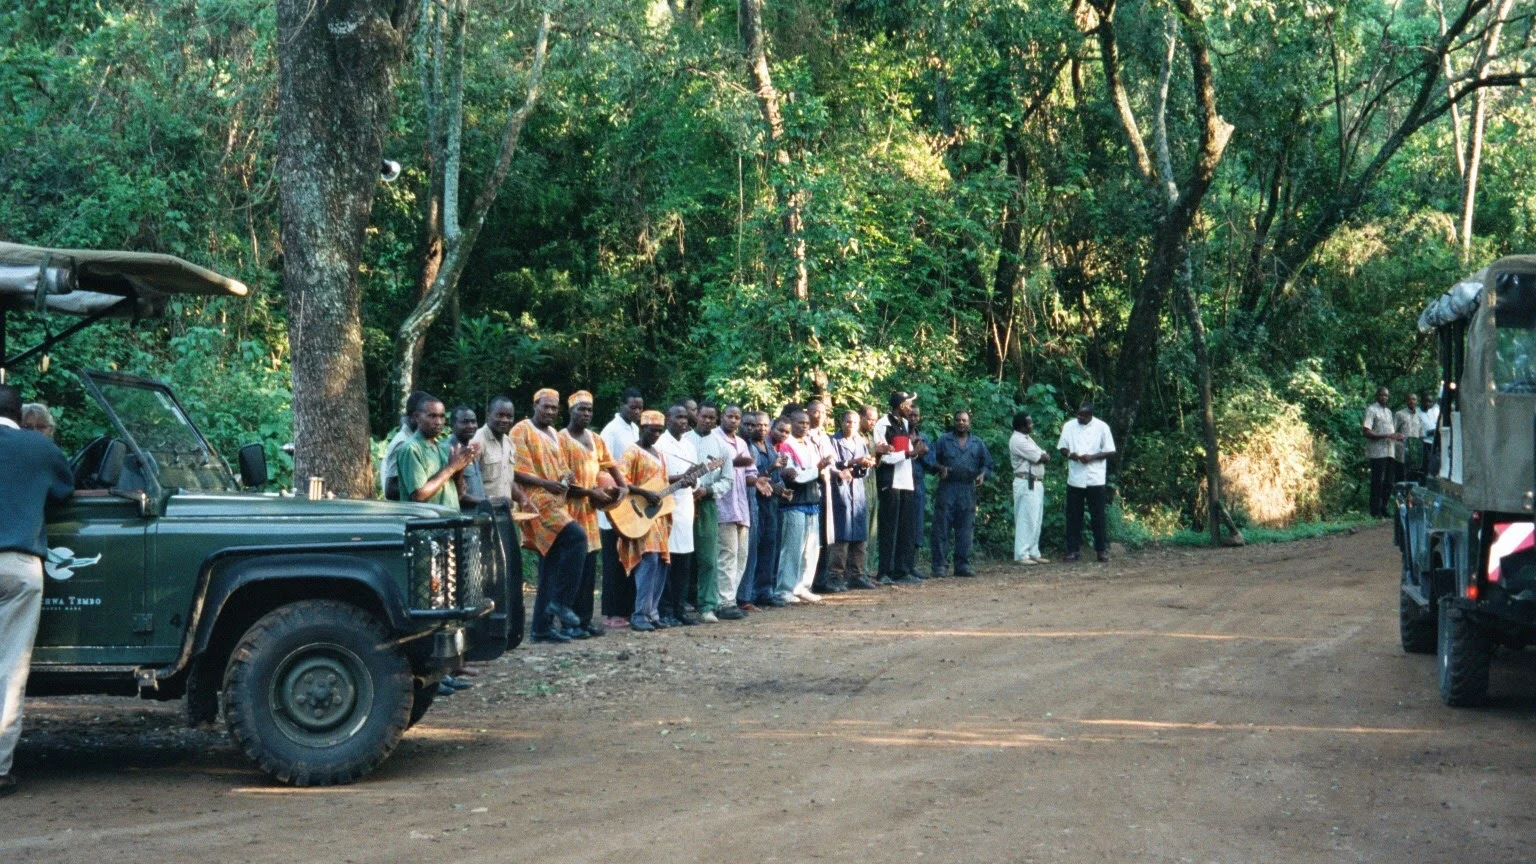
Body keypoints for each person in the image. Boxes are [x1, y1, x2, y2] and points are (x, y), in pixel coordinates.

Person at [0, 384, 74, 797]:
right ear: (22, 416)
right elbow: (65, 492)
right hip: (18, 565)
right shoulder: (39, 449)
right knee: (9, 670)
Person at [512, 389, 588, 643]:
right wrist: (546, 483)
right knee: (577, 538)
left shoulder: (555, 434)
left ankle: (541, 629)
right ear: (535, 405)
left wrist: (566, 478)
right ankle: (561, 602)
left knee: (552, 562)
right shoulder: (521, 430)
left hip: (556, 500)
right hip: (535, 501)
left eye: (554, 408)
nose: (551, 412)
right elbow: (516, 471)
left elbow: (563, 468)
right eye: (546, 407)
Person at [558, 391, 626, 637]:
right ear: (570, 411)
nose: (586, 414)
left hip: (590, 512)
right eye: (581, 409)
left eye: (589, 410)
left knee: (588, 568)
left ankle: (584, 620)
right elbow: (560, 481)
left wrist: (623, 486)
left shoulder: (596, 439)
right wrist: (590, 492)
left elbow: (610, 465)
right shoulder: (560, 440)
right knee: (571, 569)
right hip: (569, 509)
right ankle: (569, 623)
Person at [617, 410, 672, 632]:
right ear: (642, 429)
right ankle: (639, 614)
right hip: (636, 515)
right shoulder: (632, 452)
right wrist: (643, 492)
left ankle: (652, 613)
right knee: (647, 560)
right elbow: (620, 480)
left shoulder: (659, 455)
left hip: (656, 517)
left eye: (660, 431)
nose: (656, 435)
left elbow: (663, 485)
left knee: (661, 563)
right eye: (652, 430)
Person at [598, 387, 644, 629]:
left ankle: (625, 609)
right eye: (632, 407)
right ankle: (610, 611)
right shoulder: (611, 430)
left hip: (631, 502)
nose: (636, 411)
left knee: (627, 556)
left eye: (639, 407)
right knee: (612, 558)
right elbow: (603, 465)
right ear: (621, 405)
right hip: (613, 501)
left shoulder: (636, 429)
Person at [775, 408, 829, 603]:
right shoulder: (785, 446)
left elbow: (813, 472)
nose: (805, 426)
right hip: (794, 502)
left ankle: (802, 586)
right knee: (792, 548)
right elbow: (794, 476)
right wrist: (818, 469)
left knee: (811, 549)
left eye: (807, 423)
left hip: (812, 500)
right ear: (791, 423)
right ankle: (784, 589)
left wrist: (817, 470)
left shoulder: (809, 444)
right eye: (800, 422)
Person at [930, 410, 993, 577]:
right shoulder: (944, 440)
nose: (961, 423)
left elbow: (987, 465)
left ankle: (962, 565)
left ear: (969, 422)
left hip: (967, 488)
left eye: (964, 420)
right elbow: (931, 461)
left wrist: (982, 474)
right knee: (942, 527)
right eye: (958, 420)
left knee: (965, 528)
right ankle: (939, 566)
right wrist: (940, 468)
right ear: (954, 422)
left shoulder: (977, 443)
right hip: (947, 487)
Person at [687, 404, 735, 621]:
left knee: (708, 557)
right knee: (681, 556)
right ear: (696, 415)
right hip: (679, 502)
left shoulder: (721, 446)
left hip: (706, 503)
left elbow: (728, 479)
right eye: (704, 416)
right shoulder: (683, 439)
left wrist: (708, 490)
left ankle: (707, 605)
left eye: (711, 418)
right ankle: (678, 605)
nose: (707, 420)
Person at [655, 405, 701, 626]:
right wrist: (681, 478)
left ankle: (680, 610)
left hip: (685, 507)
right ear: (667, 419)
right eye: (678, 417)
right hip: (665, 508)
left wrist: (694, 480)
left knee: (684, 561)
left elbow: (695, 476)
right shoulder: (660, 444)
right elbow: (656, 478)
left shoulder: (690, 446)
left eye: (685, 418)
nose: (683, 421)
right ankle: (665, 611)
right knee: (668, 560)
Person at [873, 392, 925, 585]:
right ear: (901, 406)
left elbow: (907, 452)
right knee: (889, 527)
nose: (911, 409)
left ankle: (902, 570)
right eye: (909, 404)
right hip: (890, 481)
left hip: (906, 481)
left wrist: (917, 451)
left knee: (906, 527)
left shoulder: (904, 424)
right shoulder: (882, 424)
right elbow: (885, 456)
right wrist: (911, 453)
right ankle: (884, 571)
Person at [1057, 401, 1115, 562]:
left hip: (1095, 477)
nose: (1079, 417)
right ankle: (1072, 550)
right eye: (1078, 414)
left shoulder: (1102, 427)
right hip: (1075, 477)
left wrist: (1092, 457)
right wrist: (1071, 455)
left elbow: (1110, 451)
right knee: (1073, 515)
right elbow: (1062, 447)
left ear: (1090, 415)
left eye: (1082, 415)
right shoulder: (1069, 426)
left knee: (1098, 515)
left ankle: (1101, 550)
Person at [397, 394, 479, 509]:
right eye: (432, 416)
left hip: (450, 521)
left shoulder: (443, 448)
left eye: (442, 417)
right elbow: (419, 496)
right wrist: (451, 468)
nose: (438, 422)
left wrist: (460, 468)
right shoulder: (411, 449)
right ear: (417, 417)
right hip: (426, 524)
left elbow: (459, 494)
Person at [714, 405, 757, 616]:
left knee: (742, 555)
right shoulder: (713, 439)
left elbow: (750, 473)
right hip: (723, 504)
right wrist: (734, 462)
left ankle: (731, 598)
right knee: (727, 555)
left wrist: (760, 480)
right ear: (722, 417)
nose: (733, 420)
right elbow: (708, 468)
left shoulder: (741, 442)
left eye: (737, 417)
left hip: (741, 505)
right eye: (729, 416)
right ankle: (723, 602)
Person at [830, 410, 877, 590]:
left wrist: (866, 465)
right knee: (841, 536)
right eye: (848, 422)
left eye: (855, 423)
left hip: (858, 490)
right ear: (842, 422)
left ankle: (857, 574)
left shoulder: (860, 442)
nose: (851, 426)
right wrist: (852, 461)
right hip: (840, 491)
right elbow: (834, 465)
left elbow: (863, 470)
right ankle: (835, 575)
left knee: (860, 534)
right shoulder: (833, 441)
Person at [748, 414, 789, 607]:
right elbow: (753, 477)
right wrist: (772, 468)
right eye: (758, 425)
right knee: (755, 547)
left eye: (765, 425)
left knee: (770, 545)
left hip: (772, 503)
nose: (762, 428)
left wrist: (780, 487)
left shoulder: (769, 446)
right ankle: (751, 592)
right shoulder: (749, 447)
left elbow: (775, 475)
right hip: (755, 503)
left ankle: (766, 590)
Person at [805, 399, 843, 593]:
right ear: (808, 412)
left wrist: (839, 472)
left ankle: (821, 579)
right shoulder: (803, 436)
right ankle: (807, 581)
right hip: (808, 486)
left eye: (823, 413)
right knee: (809, 536)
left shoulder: (825, 437)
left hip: (825, 486)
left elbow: (832, 464)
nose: (819, 416)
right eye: (815, 412)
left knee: (824, 535)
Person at [1009, 413, 1050, 565]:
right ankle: (1021, 554)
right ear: (1021, 426)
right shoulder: (1017, 440)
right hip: (1026, 481)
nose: (1032, 425)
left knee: (1036, 519)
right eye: (1029, 423)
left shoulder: (1027, 438)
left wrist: (1043, 455)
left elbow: (1043, 453)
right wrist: (1043, 455)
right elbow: (1040, 457)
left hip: (1036, 482)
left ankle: (1033, 551)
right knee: (1026, 519)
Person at [382, 390, 431, 500]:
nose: (435, 421)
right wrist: (429, 485)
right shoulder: (403, 442)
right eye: (429, 415)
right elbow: (390, 490)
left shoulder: (419, 441)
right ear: (415, 416)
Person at [1362, 386, 1400, 519]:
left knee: (1389, 482)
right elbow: (1366, 431)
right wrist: (1386, 435)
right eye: (1382, 395)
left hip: (1390, 451)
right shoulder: (1372, 410)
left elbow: (1391, 432)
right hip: (1377, 452)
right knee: (1377, 481)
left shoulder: (1389, 412)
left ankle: (1383, 507)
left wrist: (1395, 436)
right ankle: (1374, 510)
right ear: (1377, 396)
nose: (1384, 397)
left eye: (1386, 396)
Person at [908, 404, 935, 580]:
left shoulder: (923, 437)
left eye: (916, 415)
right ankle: (899, 565)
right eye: (910, 415)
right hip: (900, 486)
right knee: (902, 526)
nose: (913, 418)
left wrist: (922, 452)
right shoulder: (898, 435)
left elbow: (932, 464)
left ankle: (912, 565)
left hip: (917, 485)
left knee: (917, 525)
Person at [859, 405, 886, 574]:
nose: (872, 423)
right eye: (869, 419)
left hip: (872, 487)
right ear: (861, 417)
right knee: (861, 532)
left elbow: (876, 465)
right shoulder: (855, 438)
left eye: (875, 420)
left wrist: (880, 453)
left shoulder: (870, 438)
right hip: (859, 489)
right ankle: (857, 570)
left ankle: (867, 570)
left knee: (872, 531)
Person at [451, 406, 487, 508]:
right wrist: (487, 502)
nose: (471, 426)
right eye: (465, 422)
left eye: (473, 422)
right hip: (461, 517)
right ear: (452, 425)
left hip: (476, 515)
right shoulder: (450, 450)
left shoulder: (470, 448)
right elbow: (456, 493)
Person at [1393, 393, 1421, 484]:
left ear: (1417, 401)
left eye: (1414, 399)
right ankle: (1398, 496)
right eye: (1409, 399)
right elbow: (1392, 431)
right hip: (1401, 451)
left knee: (1412, 478)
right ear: (1406, 401)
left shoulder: (1418, 416)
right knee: (1400, 477)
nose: (1412, 401)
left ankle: (1410, 497)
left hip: (1414, 453)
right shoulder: (1400, 414)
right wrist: (1398, 436)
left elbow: (1421, 434)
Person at [1416, 391, 1440, 475]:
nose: (1429, 403)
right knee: (1427, 467)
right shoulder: (1416, 413)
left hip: (1435, 443)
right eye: (1427, 401)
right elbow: (1416, 431)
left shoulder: (1433, 412)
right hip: (1424, 444)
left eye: (1431, 402)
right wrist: (1430, 432)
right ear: (1422, 401)